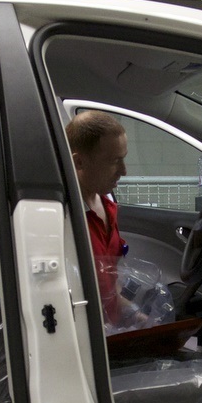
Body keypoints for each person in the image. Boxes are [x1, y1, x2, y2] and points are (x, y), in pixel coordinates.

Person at [67, 109, 130, 323]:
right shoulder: (65, 218)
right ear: (79, 162)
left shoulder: (107, 205)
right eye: (114, 161)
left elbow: (111, 287)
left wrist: (137, 317)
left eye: (123, 159)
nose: (124, 171)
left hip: (112, 329)